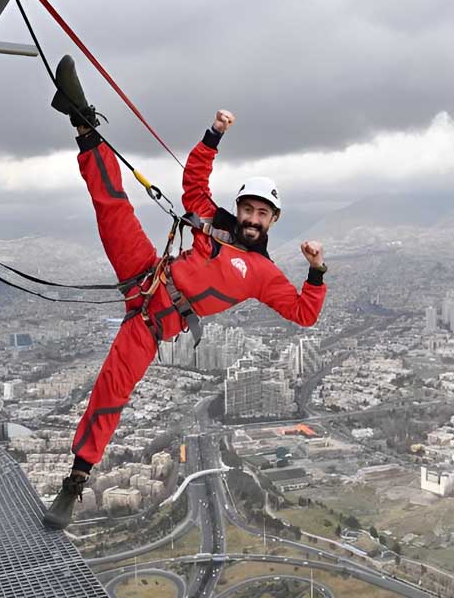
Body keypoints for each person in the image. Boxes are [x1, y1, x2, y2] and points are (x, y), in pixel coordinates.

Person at [44, 56, 327, 528]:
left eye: (262, 213)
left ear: (274, 220)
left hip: (152, 323)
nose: (253, 218)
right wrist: (213, 134)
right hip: (145, 274)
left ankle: (74, 482)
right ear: (239, 209)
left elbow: (303, 314)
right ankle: (81, 118)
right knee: (112, 206)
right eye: (248, 209)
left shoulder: (263, 273)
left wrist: (316, 272)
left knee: (111, 391)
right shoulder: (213, 223)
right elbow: (193, 182)